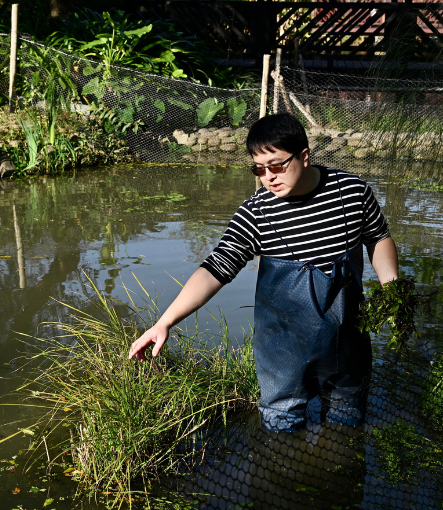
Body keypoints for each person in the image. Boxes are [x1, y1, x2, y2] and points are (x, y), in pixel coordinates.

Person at [128, 113, 399, 432]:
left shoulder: (351, 192)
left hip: (346, 340)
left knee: (346, 421)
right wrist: (164, 322)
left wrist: (391, 288)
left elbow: (378, 237)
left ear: (304, 156)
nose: (268, 176)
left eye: (277, 165)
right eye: (259, 168)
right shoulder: (255, 213)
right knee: (282, 425)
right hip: (282, 348)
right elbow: (217, 267)